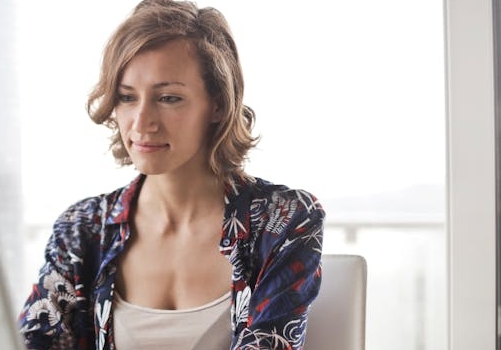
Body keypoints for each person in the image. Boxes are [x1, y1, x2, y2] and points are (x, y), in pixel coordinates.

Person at [18, 0, 324, 349]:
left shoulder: (283, 220)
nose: (142, 121)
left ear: (219, 104)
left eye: (168, 98)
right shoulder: (82, 230)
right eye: (127, 97)